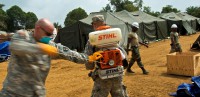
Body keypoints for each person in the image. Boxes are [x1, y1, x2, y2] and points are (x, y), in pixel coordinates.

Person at [0, 18, 102, 97]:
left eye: (51, 34)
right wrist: (40, 48)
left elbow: (69, 53)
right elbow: (16, 47)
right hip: (13, 93)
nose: (49, 37)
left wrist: (89, 58)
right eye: (48, 34)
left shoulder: (49, 44)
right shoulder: (22, 36)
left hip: (36, 93)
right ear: (38, 29)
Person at [84, 15, 129, 97]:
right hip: (117, 74)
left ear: (94, 25)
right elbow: (121, 52)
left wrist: (90, 67)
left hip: (102, 77)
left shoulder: (92, 39)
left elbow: (89, 62)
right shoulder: (114, 34)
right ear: (104, 23)